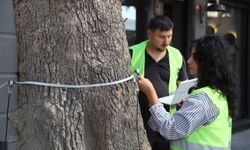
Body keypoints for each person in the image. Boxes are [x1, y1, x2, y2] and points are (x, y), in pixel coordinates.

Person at [138, 35, 238, 150]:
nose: (189, 61)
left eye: (194, 57)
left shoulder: (203, 99)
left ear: (207, 62)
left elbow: (170, 130)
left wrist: (150, 92)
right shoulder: (217, 92)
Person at [130, 15, 188, 149]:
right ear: (149, 34)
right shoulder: (133, 53)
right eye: (161, 37)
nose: (166, 41)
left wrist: (182, 97)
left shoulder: (176, 55)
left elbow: (183, 85)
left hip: (165, 122)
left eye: (169, 36)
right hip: (138, 121)